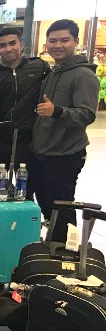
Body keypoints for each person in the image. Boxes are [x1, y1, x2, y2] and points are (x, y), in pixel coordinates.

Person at [29, 19, 99, 242]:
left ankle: (66, 251)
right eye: (53, 41)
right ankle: (53, 245)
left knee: (62, 208)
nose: (58, 45)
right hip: (44, 151)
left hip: (65, 154)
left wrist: (57, 111)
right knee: (47, 204)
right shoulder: (54, 72)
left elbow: (87, 114)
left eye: (64, 40)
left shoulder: (83, 75)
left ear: (76, 41)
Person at [0, 27, 49, 171]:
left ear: (21, 45)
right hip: (1, 140)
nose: (8, 49)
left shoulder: (39, 68)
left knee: (28, 181)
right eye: (2, 45)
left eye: (12, 43)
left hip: (31, 139)